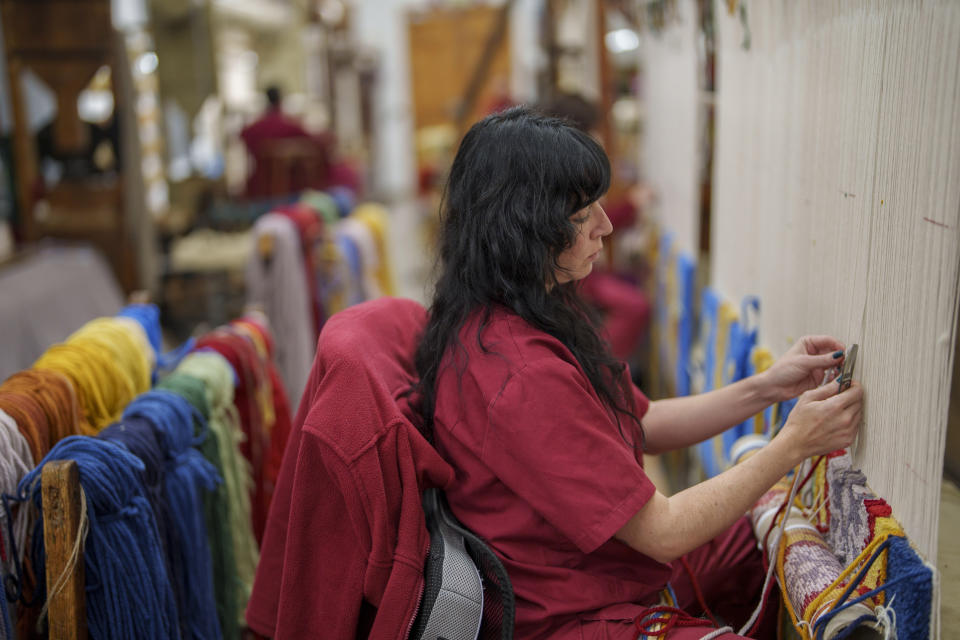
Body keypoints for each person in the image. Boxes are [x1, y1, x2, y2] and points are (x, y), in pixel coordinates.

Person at [413, 107, 864, 639]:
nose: (607, 223)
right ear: (524, 224)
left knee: (755, 544)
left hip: (609, 575)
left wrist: (768, 387)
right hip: (573, 619)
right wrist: (791, 445)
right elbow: (663, 531)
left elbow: (641, 422)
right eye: (583, 212)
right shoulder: (521, 376)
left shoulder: (520, 315)